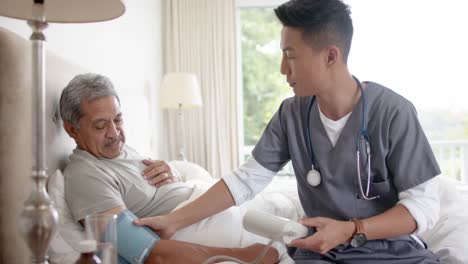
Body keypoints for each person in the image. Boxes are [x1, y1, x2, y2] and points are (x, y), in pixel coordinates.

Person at [135, 0, 442, 263]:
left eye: (291, 55)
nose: (283, 68)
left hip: (391, 254)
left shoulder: (393, 113)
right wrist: (171, 221)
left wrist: (350, 229)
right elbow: (246, 180)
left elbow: (423, 207)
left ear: (330, 56)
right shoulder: (291, 114)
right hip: (320, 254)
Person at [60, 73, 279, 264]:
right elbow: (149, 253)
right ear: (72, 129)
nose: (114, 133)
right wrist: (241, 256)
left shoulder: (121, 150)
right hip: (214, 233)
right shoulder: (85, 175)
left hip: (217, 208)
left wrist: (173, 174)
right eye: (100, 125)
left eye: (118, 119)